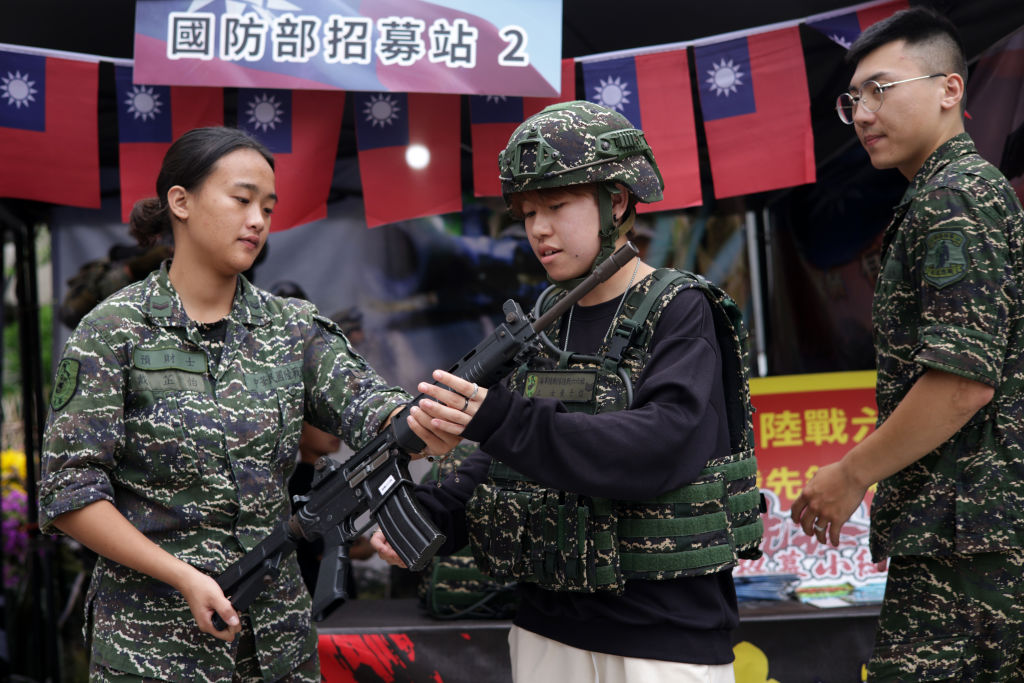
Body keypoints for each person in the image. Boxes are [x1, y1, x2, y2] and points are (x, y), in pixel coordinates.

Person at [36, 126, 460, 682]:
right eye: (241, 200)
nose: (258, 219)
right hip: (151, 649)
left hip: (276, 645)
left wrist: (425, 422)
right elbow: (68, 492)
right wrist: (184, 576)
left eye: (268, 206)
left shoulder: (292, 328)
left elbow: (368, 403)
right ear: (180, 202)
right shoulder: (114, 331)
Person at [373, 100, 762, 683]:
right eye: (527, 212)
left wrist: (500, 418)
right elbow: (508, 459)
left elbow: (661, 443)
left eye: (556, 205)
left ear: (619, 201)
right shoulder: (543, 321)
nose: (538, 229)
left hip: (660, 637)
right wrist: (439, 513)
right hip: (547, 628)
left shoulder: (680, 308)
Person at [791, 8, 1024, 680]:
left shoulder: (955, 198)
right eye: (853, 98)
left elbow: (962, 383)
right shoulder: (939, 196)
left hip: (974, 536)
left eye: (882, 89)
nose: (863, 112)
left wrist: (850, 473)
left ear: (951, 89)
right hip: (965, 529)